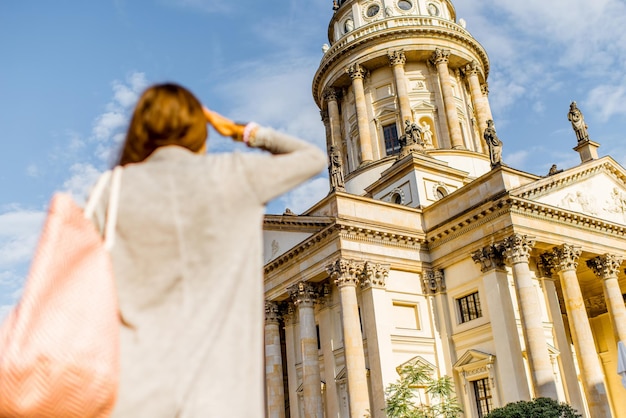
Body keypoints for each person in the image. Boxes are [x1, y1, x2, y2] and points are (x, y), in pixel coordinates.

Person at [89, 83, 327, 417]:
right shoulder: (232, 174)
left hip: (134, 393)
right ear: (198, 130)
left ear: (141, 130)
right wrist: (244, 132)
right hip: (219, 398)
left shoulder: (110, 191)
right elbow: (313, 159)